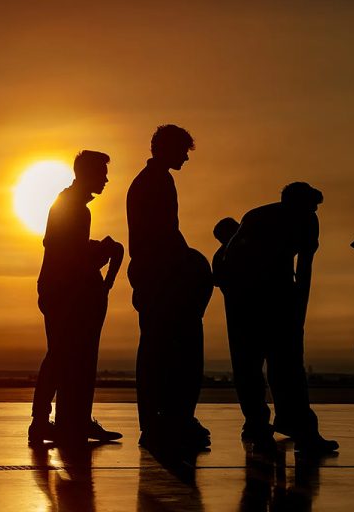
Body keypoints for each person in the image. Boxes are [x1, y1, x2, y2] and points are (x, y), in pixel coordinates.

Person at [221, 182, 338, 454]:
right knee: (254, 366)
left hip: (276, 297)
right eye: (310, 207)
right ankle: (260, 426)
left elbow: (304, 267)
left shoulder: (304, 220)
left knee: (284, 366)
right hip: (248, 299)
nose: (313, 213)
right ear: (292, 204)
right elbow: (232, 258)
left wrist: (298, 310)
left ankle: (292, 424)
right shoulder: (259, 219)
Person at [127, 124, 213, 452]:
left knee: (159, 350)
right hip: (161, 278)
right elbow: (163, 234)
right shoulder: (155, 182)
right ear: (166, 149)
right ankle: (167, 421)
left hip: (157, 275)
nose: (186, 158)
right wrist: (188, 264)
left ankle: (163, 421)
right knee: (170, 351)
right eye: (182, 151)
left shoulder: (153, 180)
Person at [28, 150, 123, 445]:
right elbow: (68, 255)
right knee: (61, 356)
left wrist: (96, 249)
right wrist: (101, 252)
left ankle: (71, 421)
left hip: (62, 290)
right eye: (102, 174)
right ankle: (43, 422)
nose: (106, 180)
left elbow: (66, 247)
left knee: (71, 358)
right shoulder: (73, 207)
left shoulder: (70, 204)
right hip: (63, 292)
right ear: (87, 174)